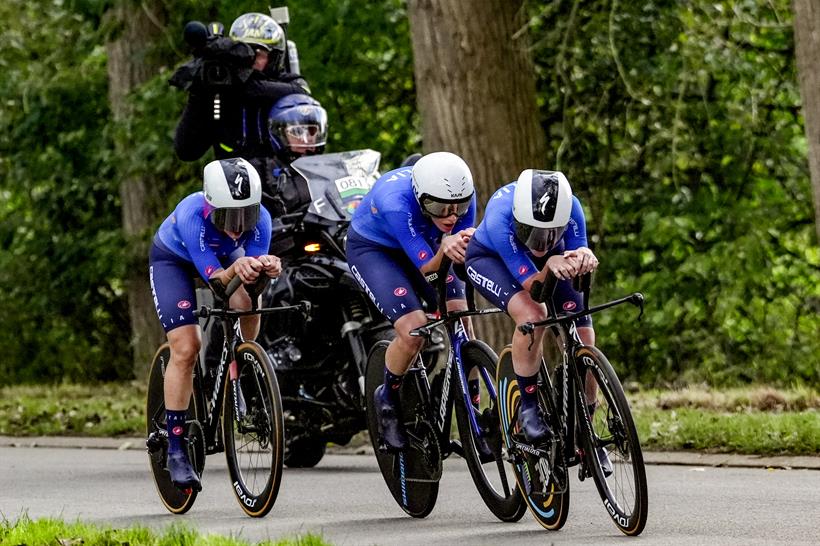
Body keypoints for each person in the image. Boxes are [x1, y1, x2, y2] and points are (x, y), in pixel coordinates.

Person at [464, 169, 611, 472]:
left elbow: (576, 251)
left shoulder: (573, 211)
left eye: (549, 234)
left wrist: (584, 256)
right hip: (492, 260)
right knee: (534, 315)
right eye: (531, 232)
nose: (540, 243)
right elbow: (535, 288)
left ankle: (587, 430)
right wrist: (551, 260)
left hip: (552, 264)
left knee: (584, 336)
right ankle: (528, 407)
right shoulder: (500, 217)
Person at [148, 158, 282, 490]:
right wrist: (241, 268)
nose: (238, 227)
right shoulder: (193, 215)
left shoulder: (262, 218)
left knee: (248, 303)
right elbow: (219, 286)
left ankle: (245, 361)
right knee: (186, 347)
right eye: (228, 216)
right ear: (211, 208)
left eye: (245, 216)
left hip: (223, 259)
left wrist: (264, 269)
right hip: (174, 261)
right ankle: (176, 447)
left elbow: (248, 285)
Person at [345, 151, 477, 450]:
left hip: (426, 242)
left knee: (460, 314)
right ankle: (387, 399)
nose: (451, 216)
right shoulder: (395, 200)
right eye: (440, 207)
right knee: (414, 329)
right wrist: (447, 247)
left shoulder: (462, 195)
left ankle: (472, 398)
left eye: (459, 206)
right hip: (375, 251)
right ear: (420, 197)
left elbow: (460, 250)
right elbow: (429, 270)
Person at [173, 12, 311, 179]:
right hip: (234, 191)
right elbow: (187, 150)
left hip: (285, 187)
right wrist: (200, 92)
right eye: (244, 52)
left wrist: (244, 84)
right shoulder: (221, 94)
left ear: (275, 58)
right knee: (192, 204)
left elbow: (301, 95)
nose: (250, 60)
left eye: (258, 54)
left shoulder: (288, 85)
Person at [261, 93, 328, 217]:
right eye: (297, 131)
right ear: (280, 133)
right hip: (285, 234)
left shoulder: (330, 167)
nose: (305, 139)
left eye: (311, 131)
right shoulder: (262, 169)